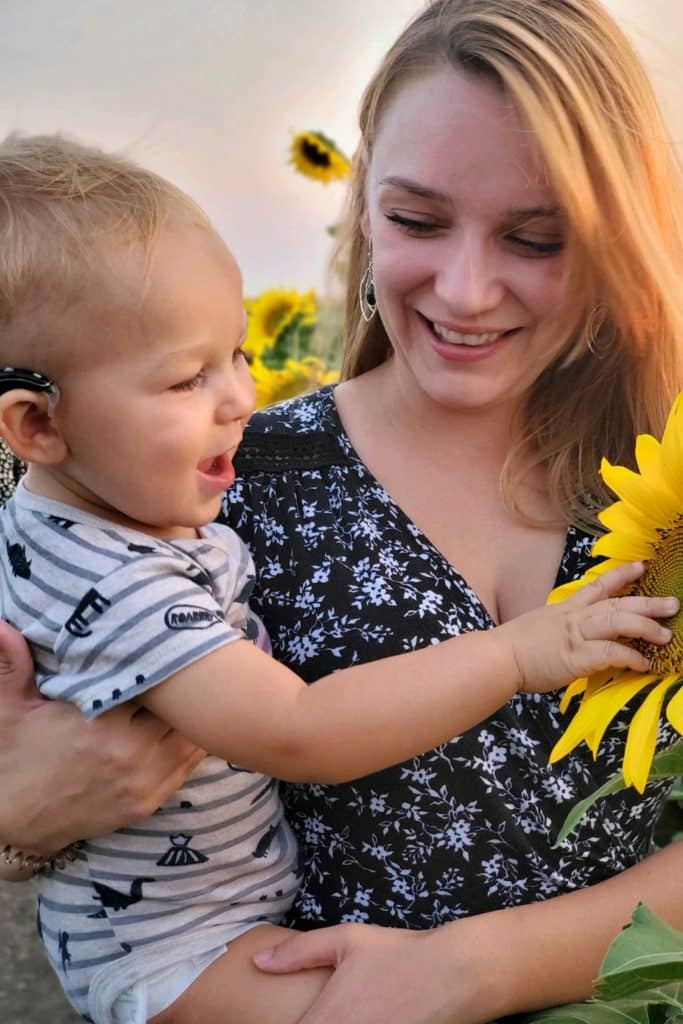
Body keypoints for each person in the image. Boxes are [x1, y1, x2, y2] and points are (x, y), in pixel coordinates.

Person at [1, 0, 683, 1021]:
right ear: (360, 199)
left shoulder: (664, 464)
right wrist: (19, 818)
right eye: (415, 220)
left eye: (534, 238)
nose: (463, 288)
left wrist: (466, 969)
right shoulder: (204, 489)